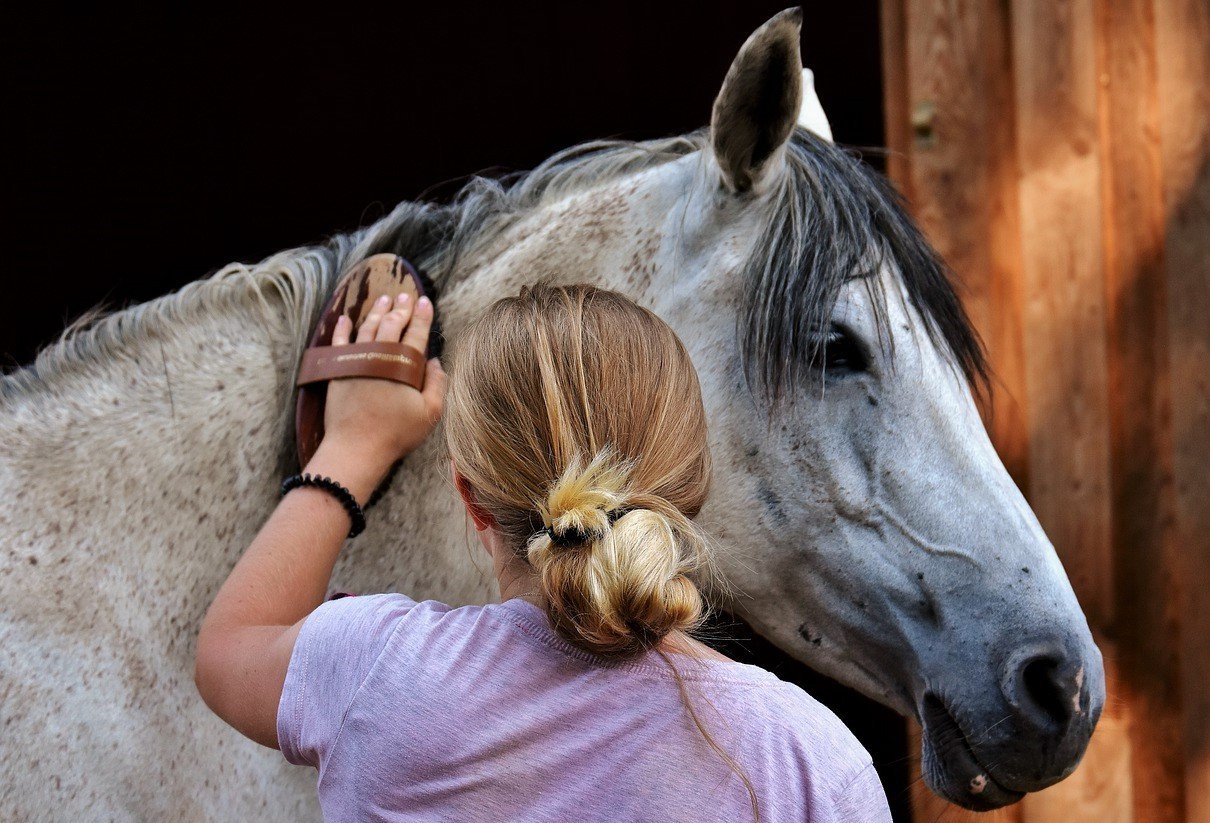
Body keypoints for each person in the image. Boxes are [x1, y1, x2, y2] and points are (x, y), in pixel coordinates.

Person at [194, 281, 892, 822]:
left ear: (469, 497)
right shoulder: (809, 763)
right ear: (691, 492)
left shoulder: (377, 670)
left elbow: (230, 647)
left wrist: (354, 444)